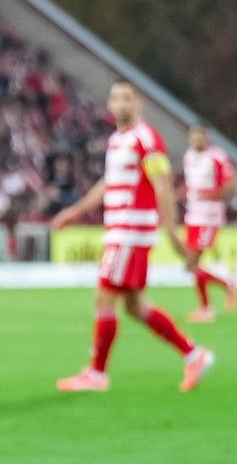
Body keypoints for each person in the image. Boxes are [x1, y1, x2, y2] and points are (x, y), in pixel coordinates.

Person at [51, 82, 214, 393]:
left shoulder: (145, 139)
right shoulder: (117, 140)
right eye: (114, 98)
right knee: (135, 306)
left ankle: (97, 374)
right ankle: (195, 354)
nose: (120, 104)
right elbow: (108, 183)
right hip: (120, 229)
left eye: (127, 98)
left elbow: (162, 184)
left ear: (138, 103)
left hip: (130, 231)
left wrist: (170, 230)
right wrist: (75, 211)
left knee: (104, 297)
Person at [181, 124, 237, 323]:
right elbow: (190, 186)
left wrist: (208, 195)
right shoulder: (188, 157)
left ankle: (215, 298)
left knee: (191, 263)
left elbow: (230, 186)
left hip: (209, 217)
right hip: (192, 217)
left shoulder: (217, 157)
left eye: (200, 136)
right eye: (193, 136)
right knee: (192, 265)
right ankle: (213, 299)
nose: (196, 140)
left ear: (207, 137)